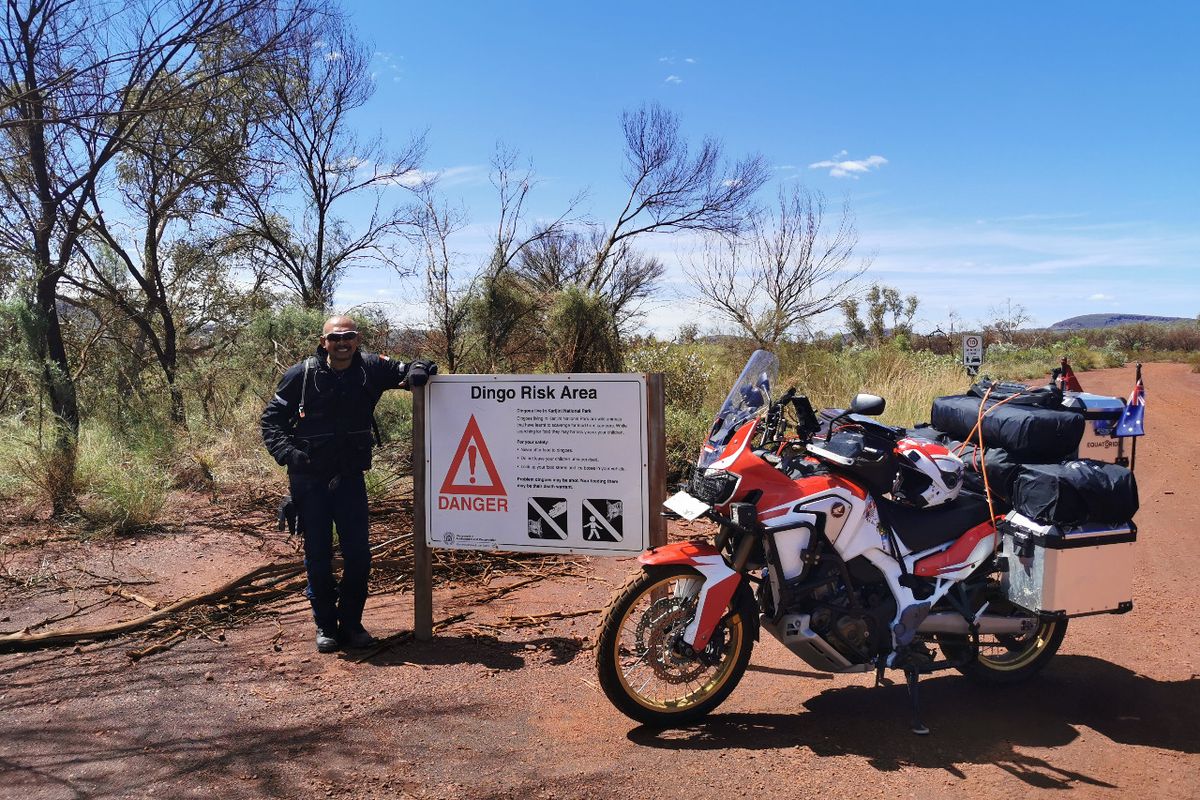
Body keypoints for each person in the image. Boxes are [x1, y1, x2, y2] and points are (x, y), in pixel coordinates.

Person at [261, 315, 436, 653]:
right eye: (335, 338)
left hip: (349, 479)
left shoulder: (370, 368)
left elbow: (412, 367)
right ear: (323, 342)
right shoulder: (302, 375)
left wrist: (420, 371)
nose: (343, 343)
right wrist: (290, 454)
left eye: (349, 336)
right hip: (309, 482)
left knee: (358, 556)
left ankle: (352, 624)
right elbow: (271, 421)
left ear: (357, 340)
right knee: (318, 555)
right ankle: (326, 626)